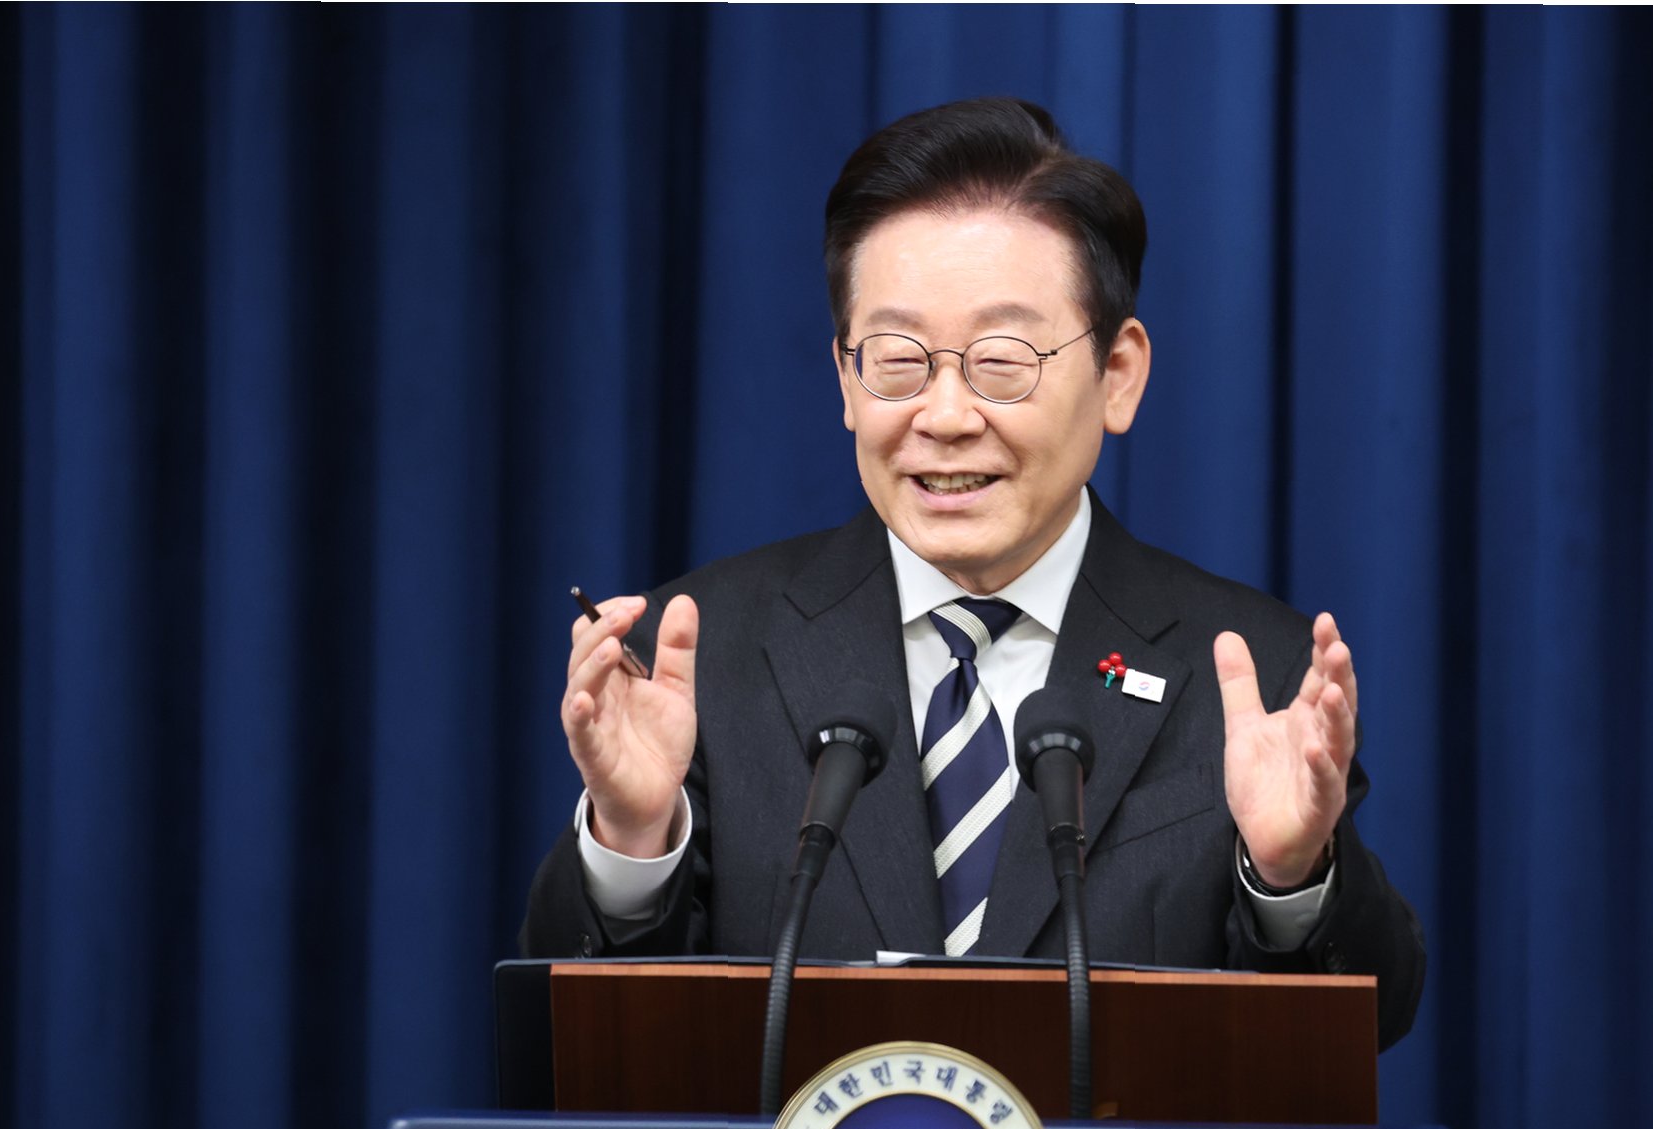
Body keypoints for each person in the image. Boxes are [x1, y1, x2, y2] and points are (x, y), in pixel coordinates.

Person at [523, 97, 1425, 1049]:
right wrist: (632, 843)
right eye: (899, 361)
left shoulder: (1252, 674)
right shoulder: (701, 656)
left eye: (1001, 361)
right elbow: (573, 1046)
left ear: (1118, 374)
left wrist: (1288, 879)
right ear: (845, 378)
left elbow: (1370, 1029)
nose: (947, 417)